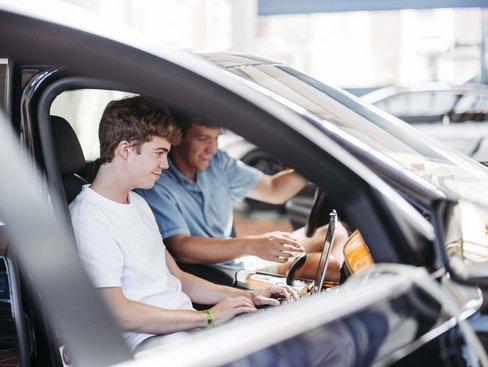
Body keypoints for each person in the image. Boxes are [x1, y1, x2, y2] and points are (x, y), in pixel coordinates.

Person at [69, 96, 297, 353]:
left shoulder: (136, 203)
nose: (165, 165)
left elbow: (179, 279)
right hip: (154, 342)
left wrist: (249, 297)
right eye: (159, 153)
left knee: (290, 332)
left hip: (187, 326)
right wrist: (208, 318)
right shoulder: (89, 218)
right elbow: (119, 313)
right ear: (125, 149)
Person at [137, 113, 348, 282]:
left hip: (242, 256)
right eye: (202, 139)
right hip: (222, 271)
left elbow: (275, 189)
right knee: (328, 268)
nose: (212, 148)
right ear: (178, 139)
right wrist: (252, 245)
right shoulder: (157, 183)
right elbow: (181, 248)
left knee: (336, 232)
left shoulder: (218, 163)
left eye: (216, 138)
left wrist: (317, 163)